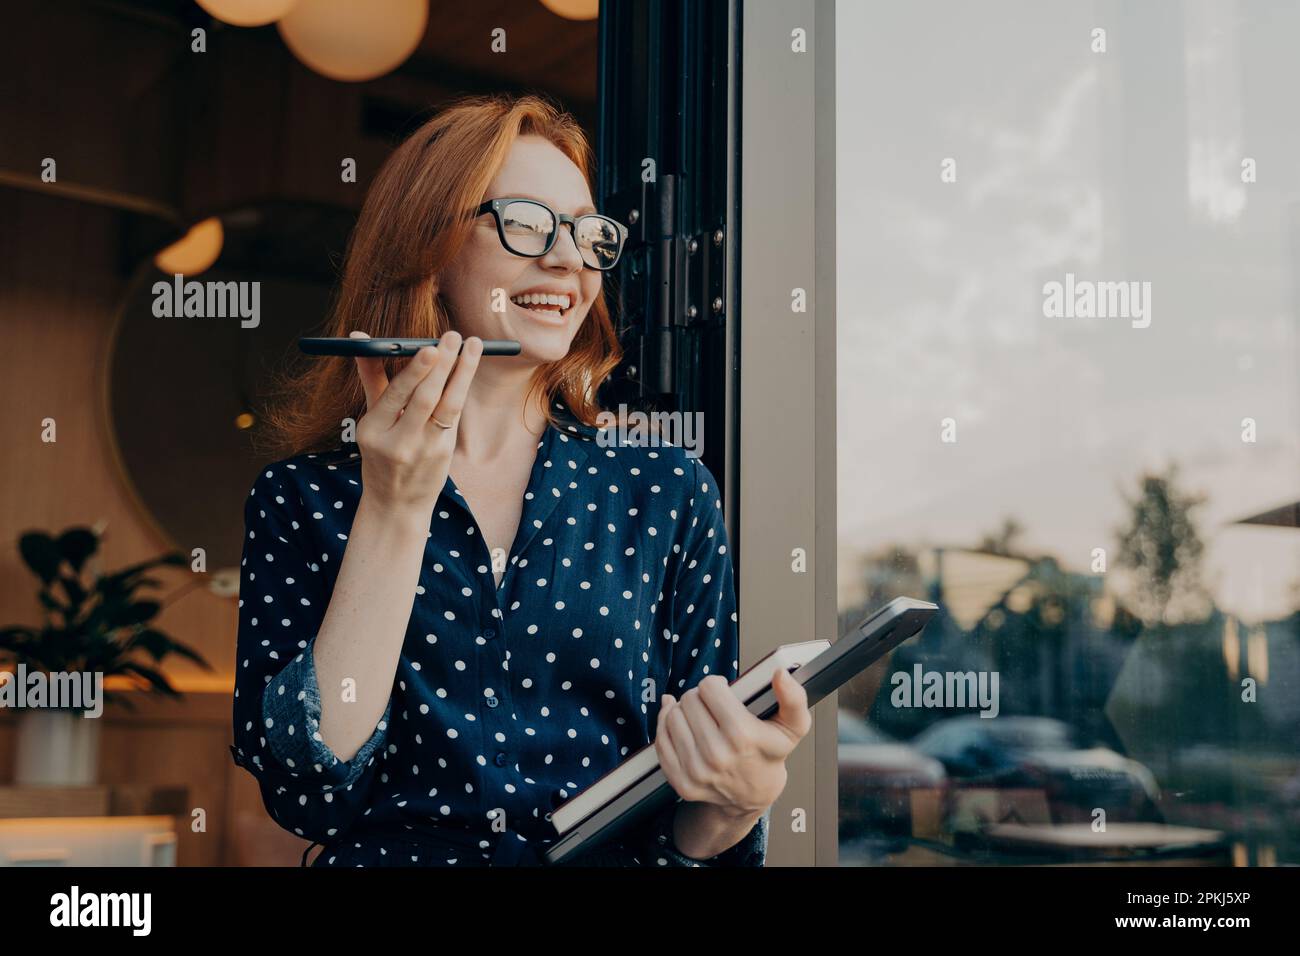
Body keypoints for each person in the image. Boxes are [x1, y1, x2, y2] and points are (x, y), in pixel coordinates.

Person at [229, 93, 811, 867]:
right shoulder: (302, 499)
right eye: (528, 223)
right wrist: (394, 512)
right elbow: (312, 789)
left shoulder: (666, 491)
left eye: (587, 233)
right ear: (427, 245)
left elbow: (688, 828)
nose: (569, 259)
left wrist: (733, 806)